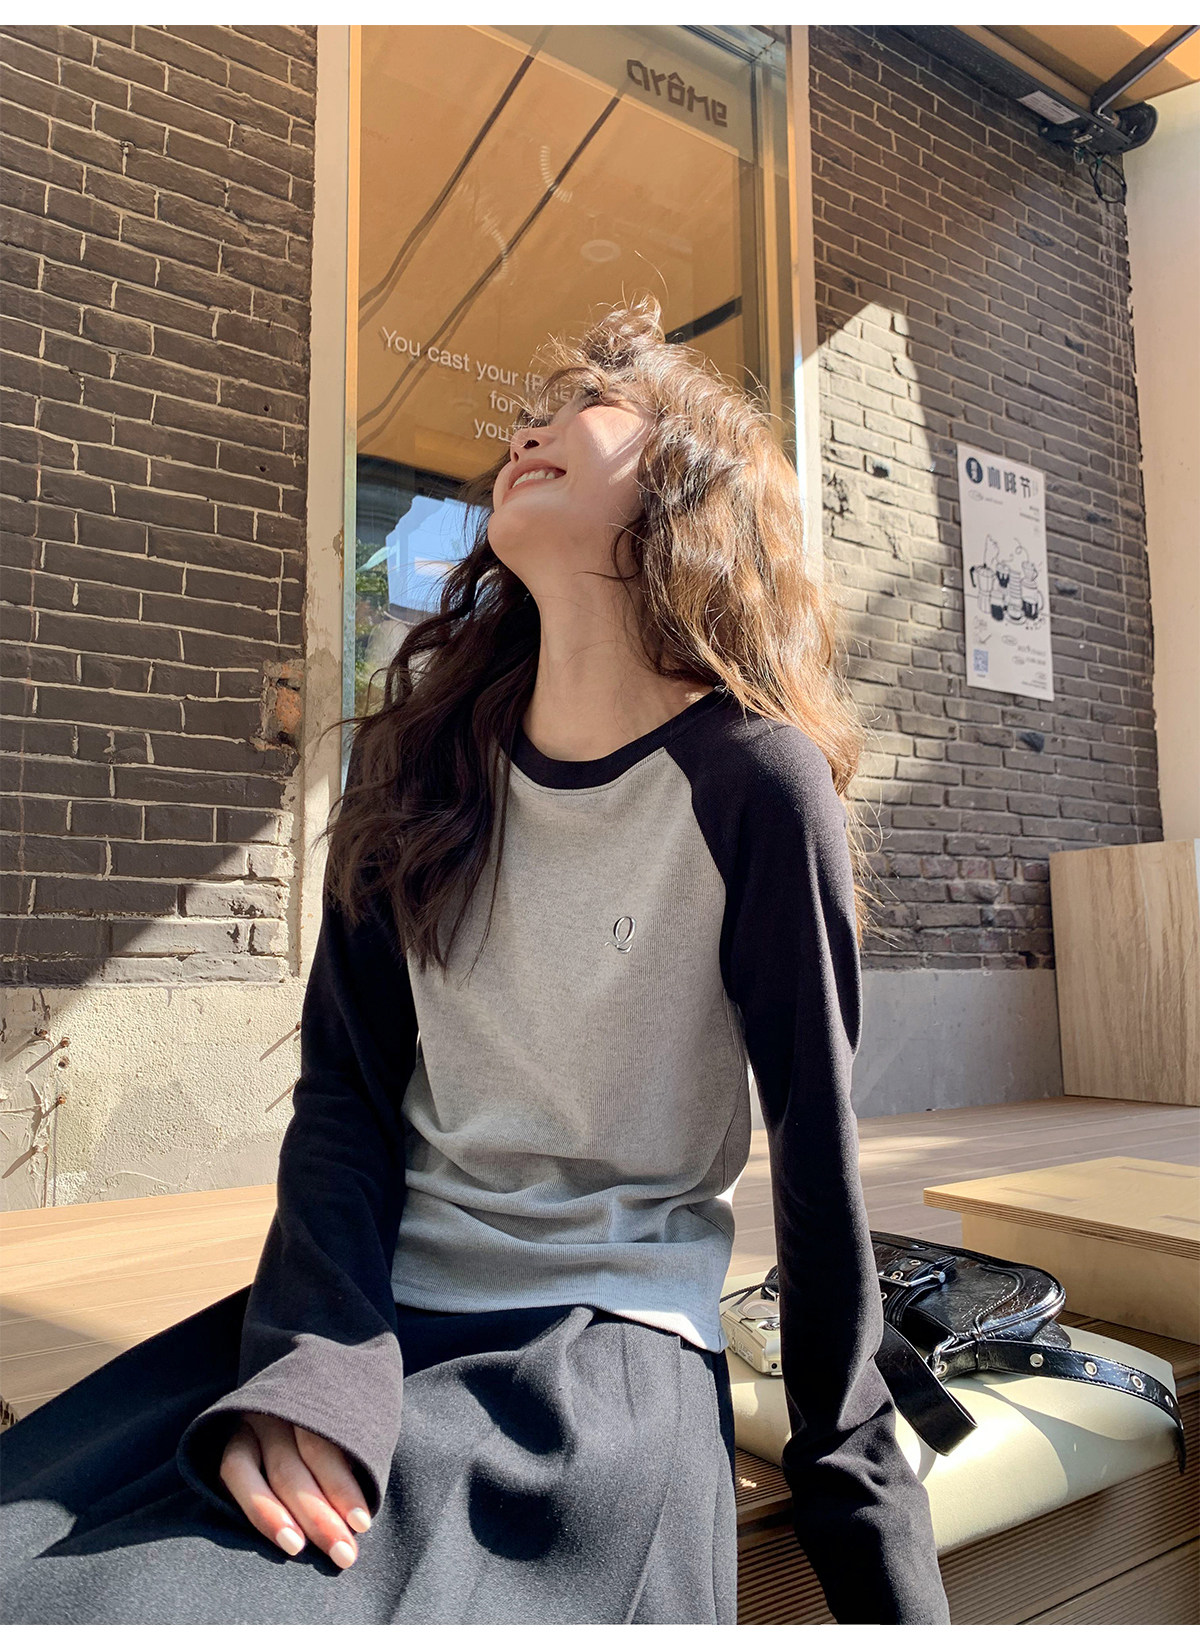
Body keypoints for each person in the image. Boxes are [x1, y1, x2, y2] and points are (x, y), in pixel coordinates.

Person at [0, 297, 950, 1626]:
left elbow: (816, 1158)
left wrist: (865, 1521)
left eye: (589, 406)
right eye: (528, 415)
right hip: (364, 1302)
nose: (528, 433)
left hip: (591, 1349)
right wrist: (313, 1362)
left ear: (694, 477)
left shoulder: (757, 784)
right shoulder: (415, 767)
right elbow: (346, 1097)